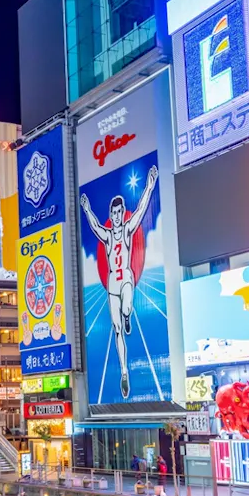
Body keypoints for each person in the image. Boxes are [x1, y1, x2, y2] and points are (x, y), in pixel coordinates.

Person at [79, 164, 159, 399]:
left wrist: (150, 184)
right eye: (112, 213)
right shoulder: (106, 235)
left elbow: (143, 208)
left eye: (118, 212)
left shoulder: (126, 230)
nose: (115, 217)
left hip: (127, 279)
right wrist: (85, 208)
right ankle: (124, 371)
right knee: (116, 330)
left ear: (122, 212)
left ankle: (127, 316)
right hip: (113, 283)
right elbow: (93, 225)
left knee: (126, 308)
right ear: (110, 214)